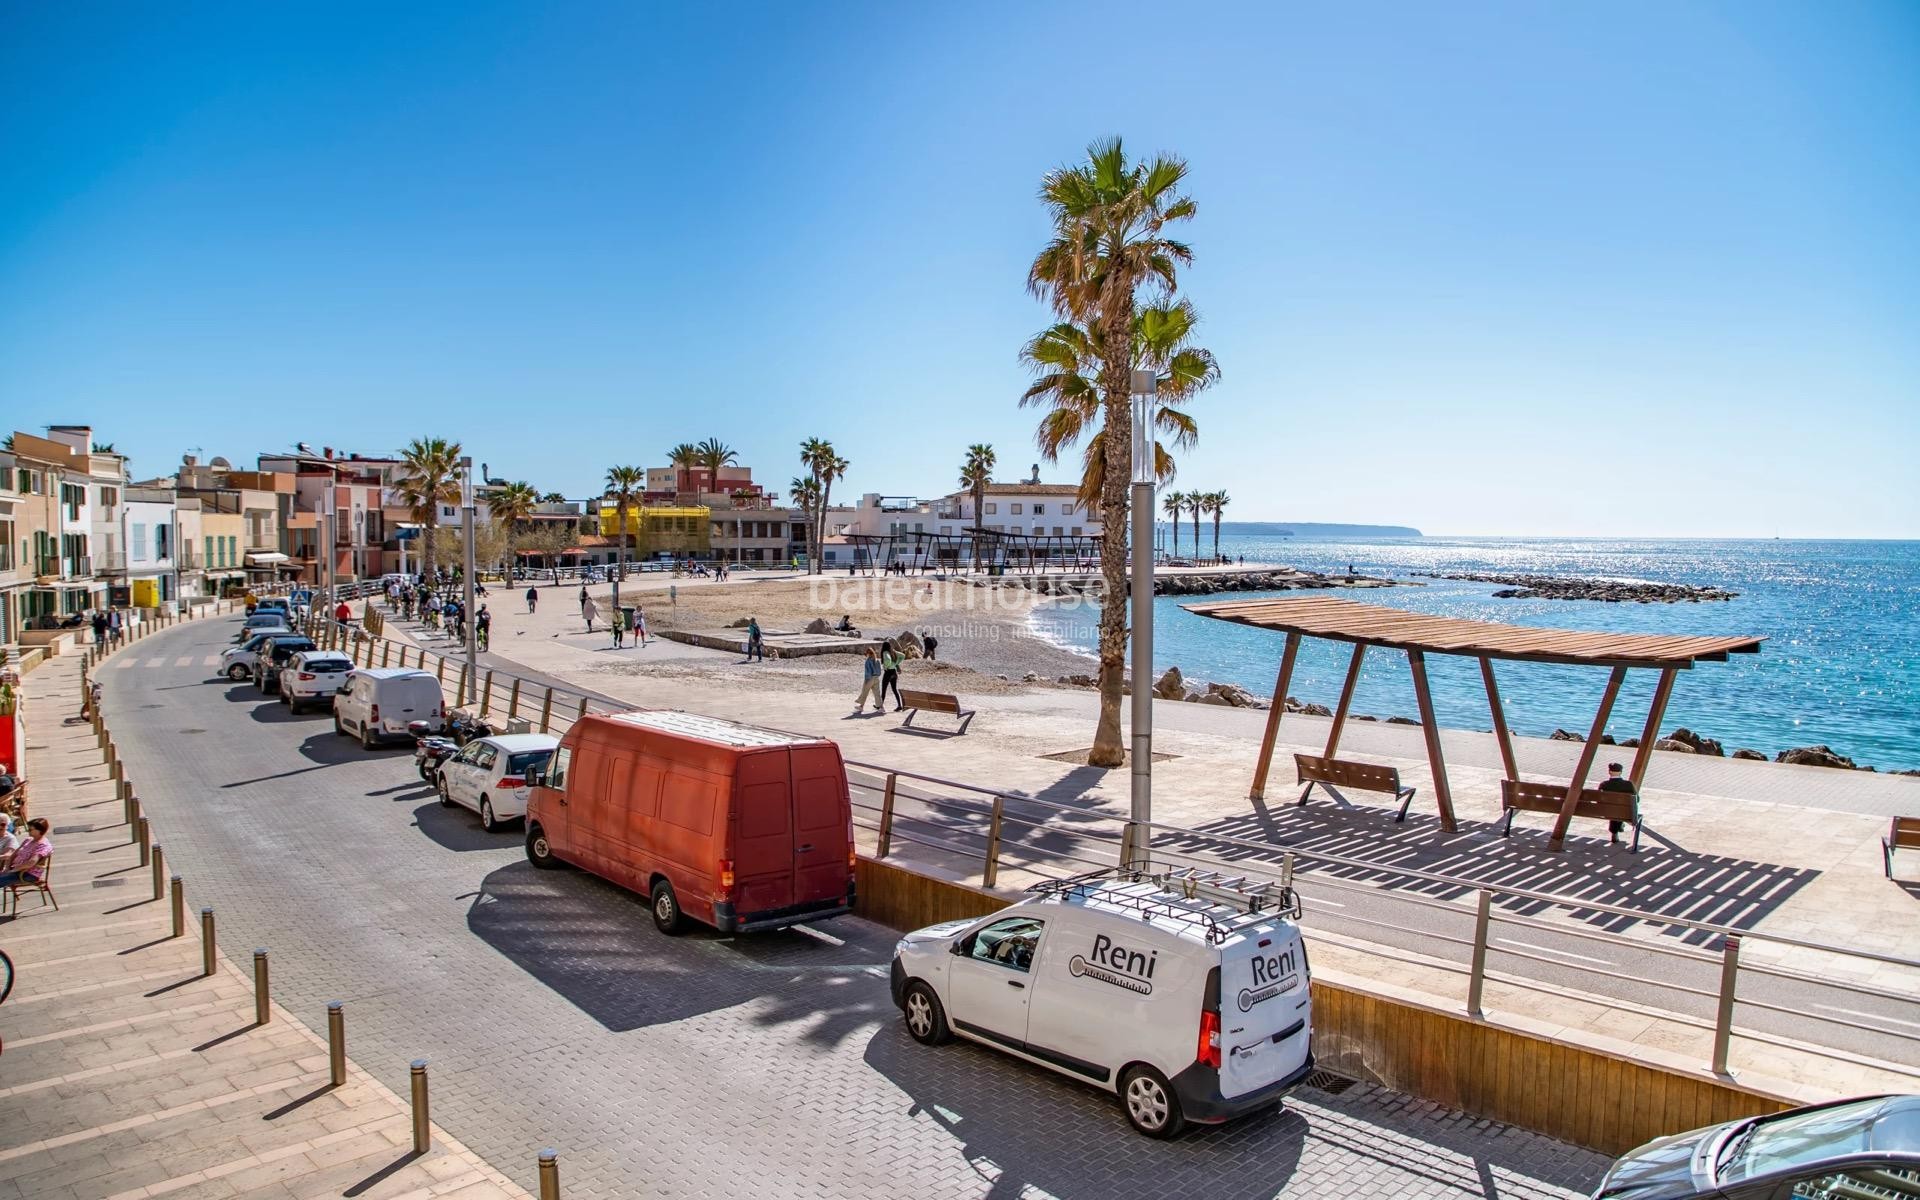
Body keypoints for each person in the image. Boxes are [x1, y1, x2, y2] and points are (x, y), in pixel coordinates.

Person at [0, 818, 52, 892]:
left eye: (30, 829)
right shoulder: (29, 840)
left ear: (40, 830)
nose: (28, 831)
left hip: (27, 874)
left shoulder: (43, 845)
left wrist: (14, 870)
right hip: (15, 871)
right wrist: (7, 868)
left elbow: (31, 862)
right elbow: (13, 855)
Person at [1596, 762, 1638, 845]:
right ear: (1621, 772)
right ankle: (1617, 828)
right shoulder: (1628, 784)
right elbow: (1637, 799)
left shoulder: (1604, 784)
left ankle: (1615, 831)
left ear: (1609, 772)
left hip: (1606, 811)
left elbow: (1598, 800)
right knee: (1620, 809)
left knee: (1613, 809)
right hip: (1624, 813)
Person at [854, 648, 884, 714]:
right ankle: (881, 707)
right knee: (877, 694)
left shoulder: (868, 660)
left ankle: (861, 706)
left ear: (868, 653)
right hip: (876, 678)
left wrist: (867, 679)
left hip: (870, 678)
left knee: (865, 692)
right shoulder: (877, 660)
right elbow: (879, 671)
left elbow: (868, 671)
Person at [879, 644, 903, 711]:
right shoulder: (893, 652)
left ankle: (881, 707)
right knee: (894, 690)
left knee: (884, 690)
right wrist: (896, 663)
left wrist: (886, 666)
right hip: (894, 673)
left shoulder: (885, 652)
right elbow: (902, 656)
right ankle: (899, 705)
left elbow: (888, 660)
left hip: (888, 673)